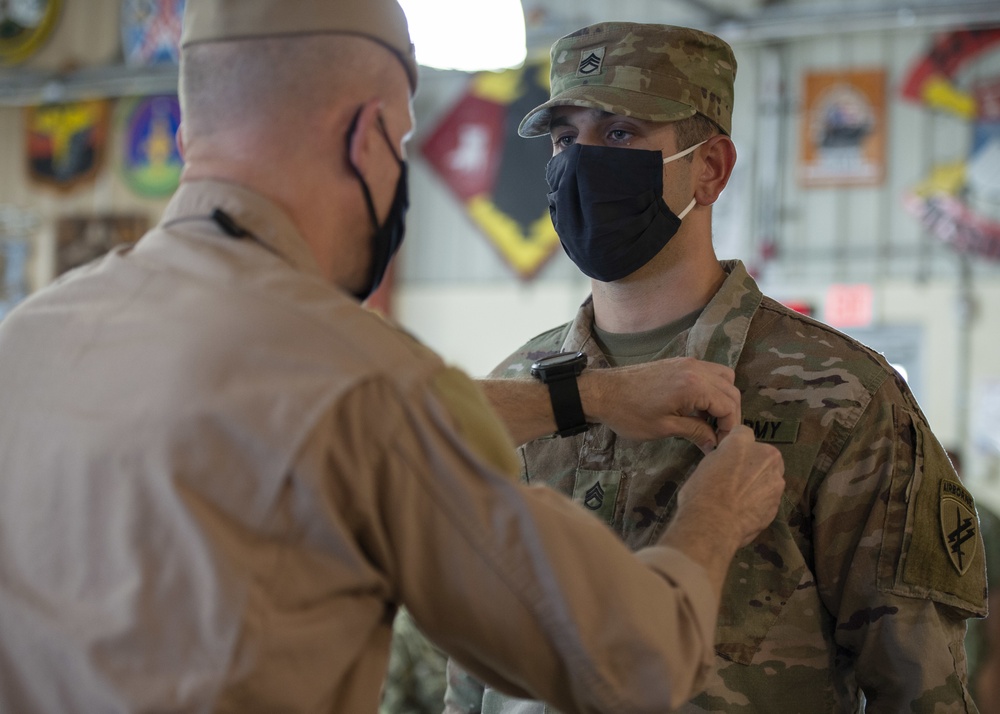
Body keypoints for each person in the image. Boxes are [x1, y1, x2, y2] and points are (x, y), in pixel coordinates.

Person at [0, 3, 787, 713]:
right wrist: (713, 519)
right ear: (367, 134)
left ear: (189, 133)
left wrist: (585, 398)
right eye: (403, 142)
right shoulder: (360, 378)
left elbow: (309, 425)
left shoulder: (32, 337)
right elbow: (631, 664)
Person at [445, 22, 988, 714]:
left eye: (617, 136)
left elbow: (919, 691)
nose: (578, 165)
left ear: (710, 168)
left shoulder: (842, 398)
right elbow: (469, 673)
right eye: (563, 139)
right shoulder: (520, 391)